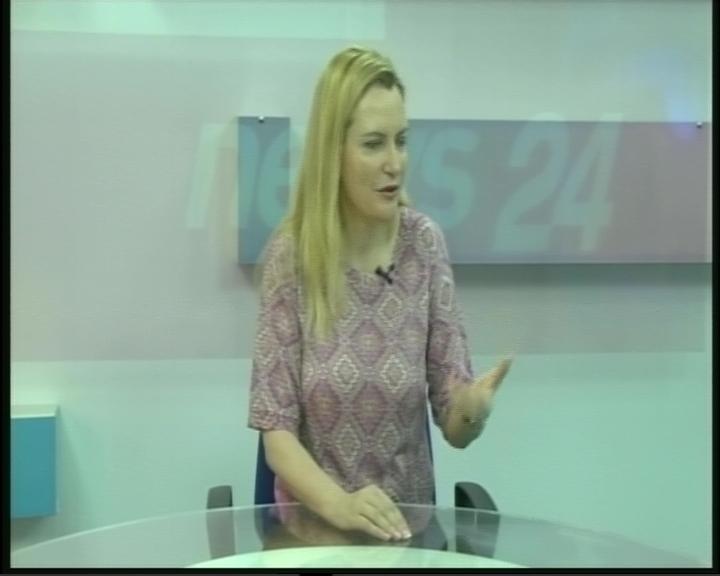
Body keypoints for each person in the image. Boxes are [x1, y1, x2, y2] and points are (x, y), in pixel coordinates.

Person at [248, 45, 513, 545]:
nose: (395, 163)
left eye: (401, 141)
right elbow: (276, 435)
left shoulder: (424, 245)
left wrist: (472, 410)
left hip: (403, 539)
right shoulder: (292, 257)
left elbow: (454, 425)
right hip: (311, 538)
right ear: (333, 153)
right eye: (374, 144)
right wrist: (342, 507)